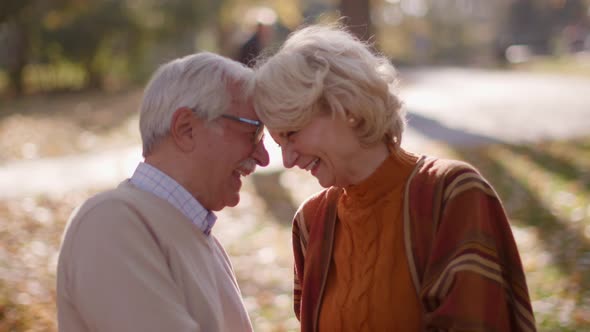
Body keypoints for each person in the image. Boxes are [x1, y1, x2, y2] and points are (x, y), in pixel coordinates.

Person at [250, 24, 536, 331]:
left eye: (292, 134)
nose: (289, 160)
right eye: (280, 145)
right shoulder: (311, 223)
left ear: (346, 106)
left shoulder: (451, 194)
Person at [57, 52, 269, 331]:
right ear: (186, 129)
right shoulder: (111, 222)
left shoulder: (200, 237)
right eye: (253, 133)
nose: (263, 156)